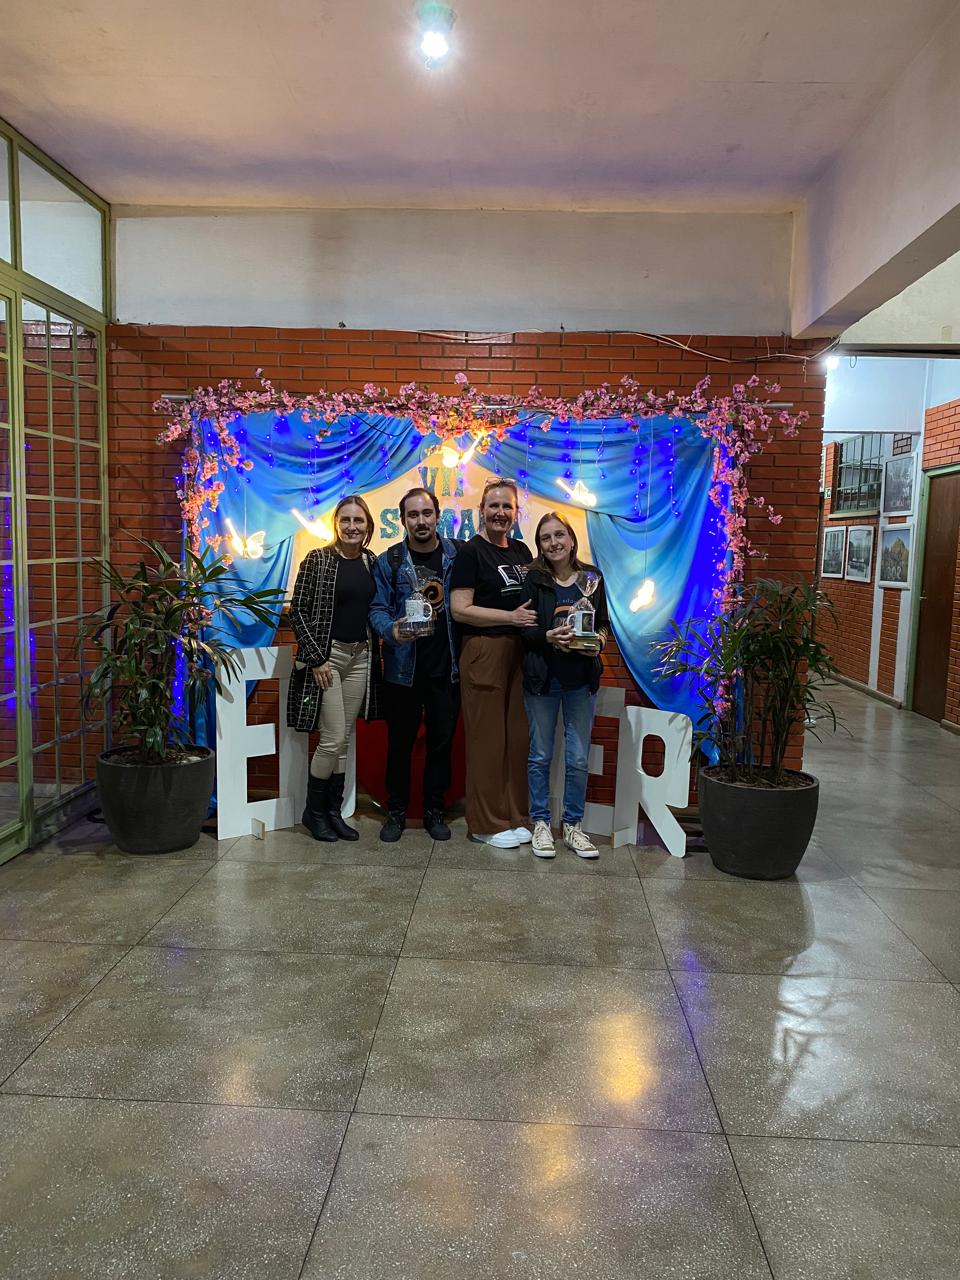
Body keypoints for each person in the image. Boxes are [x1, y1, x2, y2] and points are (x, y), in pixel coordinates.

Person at [287, 493, 381, 842]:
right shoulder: (318, 560)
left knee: (344, 738)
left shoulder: (372, 562)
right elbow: (298, 611)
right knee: (332, 738)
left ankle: (332, 813)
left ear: (368, 526)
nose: (352, 526)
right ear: (336, 524)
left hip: (361, 657)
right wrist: (316, 657)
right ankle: (313, 814)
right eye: (346, 520)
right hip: (329, 659)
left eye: (358, 520)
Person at [370, 487, 461, 843]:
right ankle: (396, 811)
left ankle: (434, 810)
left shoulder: (457, 556)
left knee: (441, 744)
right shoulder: (389, 560)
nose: (421, 521)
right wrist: (391, 630)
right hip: (402, 671)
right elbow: (377, 609)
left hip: (446, 669)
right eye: (413, 515)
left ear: (437, 516)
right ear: (402, 519)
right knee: (399, 744)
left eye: (426, 513)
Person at [450, 477, 535, 848]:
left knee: (516, 740)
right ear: (481, 510)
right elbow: (460, 609)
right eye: (494, 506)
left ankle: (516, 816)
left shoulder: (522, 551)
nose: (500, 512)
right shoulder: (471, 552)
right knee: (487, 741)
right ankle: (485, 824)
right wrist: (510, 618)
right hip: (484, 650)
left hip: (520, 653)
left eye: (507, 506)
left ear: (516, 512)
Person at [519, 511, 609, 859]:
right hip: (542, 680)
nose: (554, 542)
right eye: (546, 538)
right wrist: (548, 636)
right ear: (540, 545)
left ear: (571, 539)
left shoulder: (592, 578)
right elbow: (524, 629)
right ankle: (541, 823)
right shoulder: (534, 578)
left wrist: (597, 643)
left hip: (580, 681)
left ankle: (573, 826)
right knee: (540, 755)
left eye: (559, 535)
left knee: (578, 758)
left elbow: (603, 624)